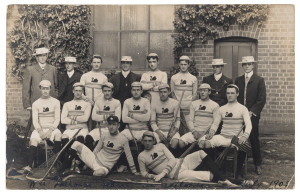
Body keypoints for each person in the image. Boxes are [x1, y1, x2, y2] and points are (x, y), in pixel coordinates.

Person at [138, 131, 236, 186]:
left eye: (150, 141)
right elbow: (143, 173)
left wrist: (163, 173)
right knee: (209, 176)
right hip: (177, 174)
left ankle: (224, 179)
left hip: (180, 162)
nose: (147, 143)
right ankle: (235, 182)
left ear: (153, 141)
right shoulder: (141, 156)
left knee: (201, 153)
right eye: (145, 141)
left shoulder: (160, 146)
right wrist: (152, 176)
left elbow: (172, 160)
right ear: (142, 141)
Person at [199, 84, 252, 178]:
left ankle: (237, 173)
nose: (230, 95)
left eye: (232, 93)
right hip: (223, 136)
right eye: (228, 93)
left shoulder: (243, 108)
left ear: (237, 94)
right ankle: (214, 171)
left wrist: (245, 136)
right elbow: (215, 124)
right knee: (204, 142)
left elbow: (248, 124)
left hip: (236, 137)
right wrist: (211, 132)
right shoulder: (222, 108)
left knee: (243, 145)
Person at [59, 115, 139, 176]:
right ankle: (62, 170)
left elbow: (129, 156)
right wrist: (87, 164)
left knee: (99, 173)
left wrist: (134, 171)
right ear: (107, 125)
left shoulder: (123, 139)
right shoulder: (104, 135)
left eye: (114, 124)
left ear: (118, 125)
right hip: (95, 160)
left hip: (104, 167)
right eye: (110, 124)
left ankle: (78, 174)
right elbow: (96, 150)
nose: (111, 127)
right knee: (76, 144)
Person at [235, 56, 266, 175]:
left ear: (253, 65)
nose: (247, 66)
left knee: (253, 138)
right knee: (240, 139)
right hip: (240, 115)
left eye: (249, 64)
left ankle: (257, 164)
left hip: (252, 115)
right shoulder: (238, 80)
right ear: (242, 66)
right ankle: (239, 165)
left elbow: (261, 99)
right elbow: (235, 96)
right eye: (244, 64)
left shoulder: (259, 80)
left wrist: (251, 112)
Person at [21, 80, 61, 173]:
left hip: (52, 128)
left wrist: (50, 131)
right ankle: (29, 165)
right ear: (40, 89)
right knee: (34, 140)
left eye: (47, 88)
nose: (45, 91)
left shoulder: (56, 102)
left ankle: (54, 165)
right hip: (40, 129)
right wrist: (40, 132)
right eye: (43, 88)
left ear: (50, 89)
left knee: (58, 136)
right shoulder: (36, 103)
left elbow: (57, 119)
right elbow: (35, 120)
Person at [178, 83, 219, 149]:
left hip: (206, 133)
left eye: (205, 90)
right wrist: (193, 131)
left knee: (202, 144)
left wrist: (210, 133)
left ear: (209, 92)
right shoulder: (194, 104)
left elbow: (215, 123)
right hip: (195, 132)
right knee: (181, 142)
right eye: (201, 90)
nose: (202, 92)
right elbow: (190, 120)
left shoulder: (215, 105)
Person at [86, 82, 121, 151]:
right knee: (88, 138)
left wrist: (101, 116)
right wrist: (109, 116)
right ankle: (93, 158)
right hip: (99, 128)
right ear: (102, 91)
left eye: (109, 91)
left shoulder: (117, 102)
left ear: (112, 91)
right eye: (105, 91)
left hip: (112, 129)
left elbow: (117, 118)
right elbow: (94, 117)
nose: (107, 93)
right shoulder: (98, 102)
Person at [109, 56, 141, 131]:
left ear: (130, 64)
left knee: (131, 126)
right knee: (119, 125)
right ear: (121, 64)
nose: (125, 65)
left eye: (127, 63)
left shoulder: (136, 77)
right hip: (118, 105)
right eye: (123, 63)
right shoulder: (114, 78)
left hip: (132, 105)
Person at [22, 45, 58, 111]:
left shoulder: (53, 69)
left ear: (47, 56)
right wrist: (27, 105)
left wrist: (55, 99)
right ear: (36, 57)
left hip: (50, 102)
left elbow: (56, 87)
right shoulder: (30, 70)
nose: (42, 58)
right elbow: (26, 89)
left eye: (44, 55)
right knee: (35, 120)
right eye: (40, 56)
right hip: (36, 102)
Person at [170, 56, 198, 131]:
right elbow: (172, 93)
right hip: (177, 107)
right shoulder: (174, 78)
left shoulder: (193, 78)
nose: (183, 66)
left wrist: (189, 104)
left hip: (188, 107)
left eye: (185, 64)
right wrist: (177, 104)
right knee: (177, 127)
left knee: (188, 126)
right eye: (181, 64)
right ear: (179, 64)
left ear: (188, 65)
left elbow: (194, 94)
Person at [150, 83, 180, 150]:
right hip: (159, 131)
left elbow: (178, 121)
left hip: (172, 131)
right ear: (158, 93)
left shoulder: (175, 103)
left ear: (169, 92)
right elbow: (152, 122)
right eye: (160, 92)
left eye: (165, 92)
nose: (163, 94)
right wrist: (159, 133)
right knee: (151, 141)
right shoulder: (154, 103)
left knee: (175, 143)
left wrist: (173, 133)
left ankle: (172, 159)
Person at [61, 83, 92, 147]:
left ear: (82, 92)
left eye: (80, 91)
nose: (78, 93)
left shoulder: (87, 104)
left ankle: (76, 157)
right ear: (73, 91)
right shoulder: (67, 104)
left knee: (80, 138)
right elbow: (63, 120)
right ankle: (67, 156)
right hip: (69, 129)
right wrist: (78, 120)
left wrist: (71, 117)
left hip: (82, 129)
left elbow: (85, 119)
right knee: (64, 138)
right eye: (76, 90)